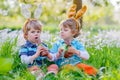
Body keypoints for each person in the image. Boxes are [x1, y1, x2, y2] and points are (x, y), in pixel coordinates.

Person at [50, 4, 97, 76]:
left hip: (77, 64)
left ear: (73, 32)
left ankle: (97, 73)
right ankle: (77, 73)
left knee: (85, 67)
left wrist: (76, 51)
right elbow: (50, 58)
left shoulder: (77, 44)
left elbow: (87, 56)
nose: (61, 32)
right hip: (63, 65)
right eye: (61, 30)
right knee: (69, 68)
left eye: (65, 30)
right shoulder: (57, 44)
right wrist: (58, 54)